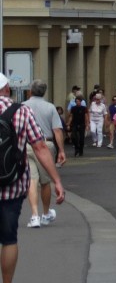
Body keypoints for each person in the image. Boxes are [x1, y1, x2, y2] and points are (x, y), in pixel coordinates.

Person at [0, 72, 66, 283]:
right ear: (7, 88)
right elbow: (39, 147)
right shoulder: (20, 111)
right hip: (11, 185)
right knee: (8, 238)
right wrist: (56, 180)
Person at [22, 80, 66, 227]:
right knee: (45, 181)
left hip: (27, 145)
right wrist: (61, 150)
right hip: (45, 144)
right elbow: (57, 130)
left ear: (30, 91)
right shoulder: (50, 107)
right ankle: (45, 214)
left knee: (31, 180)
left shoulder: (23, 106)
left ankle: (34, 215)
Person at [67, 88, 87, 157]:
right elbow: (71, 116)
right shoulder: (73, 108)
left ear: (81, 102)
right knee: (74, 137)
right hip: (75, 123)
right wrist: (69, 124)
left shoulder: (83, 108)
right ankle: (76, 148)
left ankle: (81, 150)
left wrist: (87, 124)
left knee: (81, 139)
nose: (78, 102)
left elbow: (86, 116)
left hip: (82, 124)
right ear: (75, 102)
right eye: (77, 101)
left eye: (79, 101)